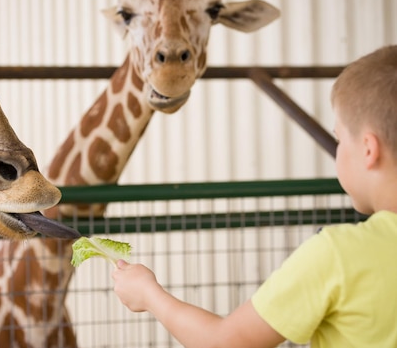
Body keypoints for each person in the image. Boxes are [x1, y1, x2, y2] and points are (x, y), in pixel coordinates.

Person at [112, 45, 397, 348]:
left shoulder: (338, 255)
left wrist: (149, 295)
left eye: (340, 139)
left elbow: (224, 342)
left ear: (368, 149)